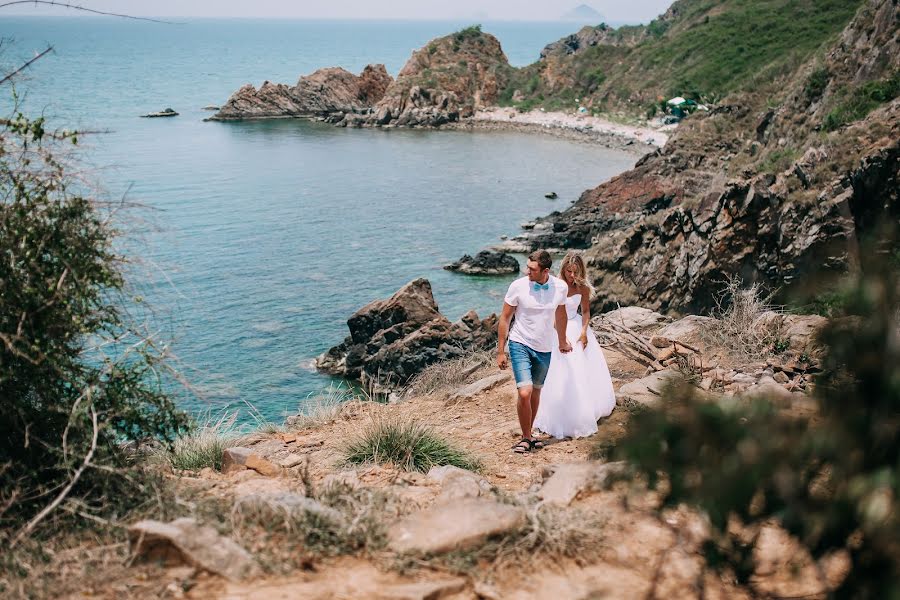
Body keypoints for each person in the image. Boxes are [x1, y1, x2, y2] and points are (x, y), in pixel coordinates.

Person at [534, 251, 616, 439]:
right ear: (563, 269)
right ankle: (557, 413)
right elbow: (549, 312)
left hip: (577, 327)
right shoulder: (553, 285)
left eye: (575, 272)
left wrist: (584, 332)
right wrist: (559, 334)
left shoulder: (582, 287)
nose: (572, 275)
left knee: (580, 370)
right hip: (557, 330)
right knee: (558, 372)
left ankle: (581, 412)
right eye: (569, 271)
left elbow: (586, 311)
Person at [497, 250, 571, 454]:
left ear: (545, 271)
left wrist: (562, 341)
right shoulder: (517, 286)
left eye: (532, 269)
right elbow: (505, 318)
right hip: (520, 342)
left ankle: (529, 433)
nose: (526, 271)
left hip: (545, 347)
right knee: (525, 391)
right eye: (527, 267)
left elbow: (561, 313)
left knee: (536, 392)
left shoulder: (560, 287)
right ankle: (526, 437)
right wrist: (500, 351)